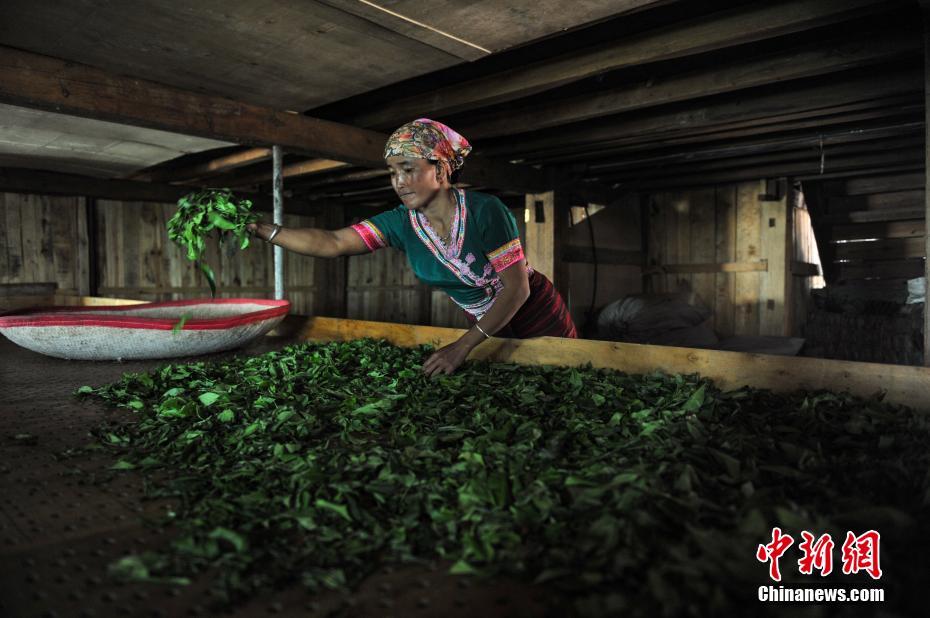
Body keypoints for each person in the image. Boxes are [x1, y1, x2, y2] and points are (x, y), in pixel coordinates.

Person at [248, 118, 576, 376]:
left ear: (441, 168)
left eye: (408, 169)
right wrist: (265, 230)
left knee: (566, 376)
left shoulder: (484, 210)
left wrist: (462, 347)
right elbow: (334, 242)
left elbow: (517, 290)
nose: (399, 181)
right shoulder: (401, 223)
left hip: (534, 311)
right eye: (393, 172)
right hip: (481, 322)